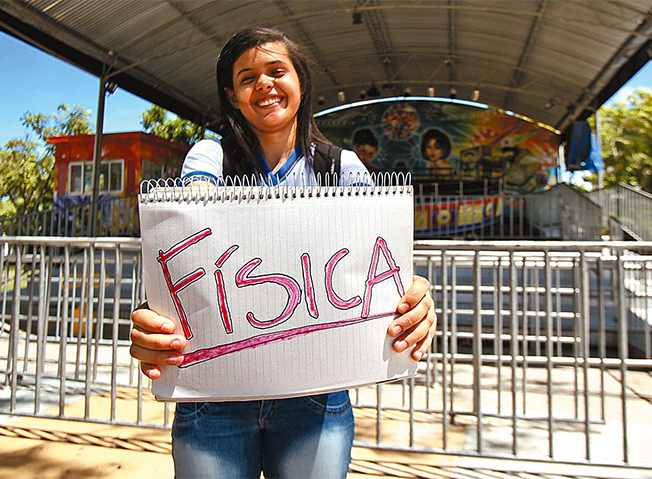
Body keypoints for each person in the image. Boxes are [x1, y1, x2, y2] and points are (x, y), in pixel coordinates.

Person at [129, 26, 437, 479]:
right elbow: (187, 245)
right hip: (214, 400)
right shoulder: (208, 160)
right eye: (247, 77)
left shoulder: (342, 167)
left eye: (277, 70)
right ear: (233, 97)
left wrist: (416, 294)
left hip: (315, 401)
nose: (264, 84)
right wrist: (155, 317)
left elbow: (380, 262)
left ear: (302, 83)